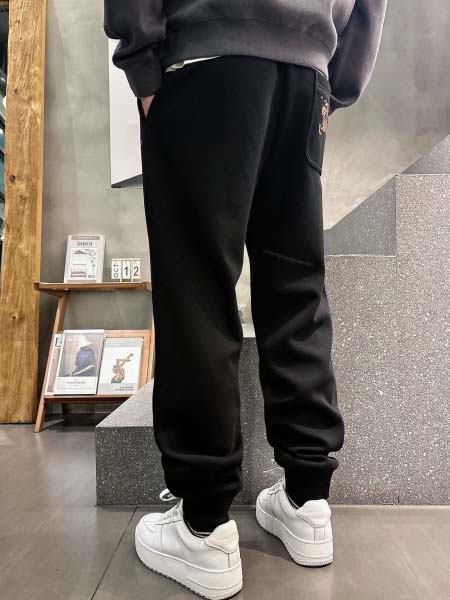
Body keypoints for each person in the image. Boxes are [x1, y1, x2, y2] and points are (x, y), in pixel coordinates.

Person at [103, 1, 387, 597]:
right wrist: (335, 76)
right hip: (306, 70)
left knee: (198, 290)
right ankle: (308, 501)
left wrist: (142, 62)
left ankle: (203, 527)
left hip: (207, 57)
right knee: (296, 287)